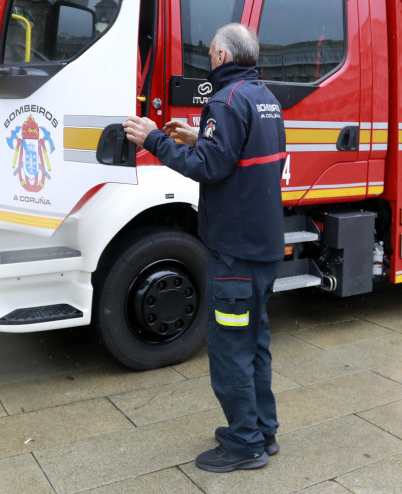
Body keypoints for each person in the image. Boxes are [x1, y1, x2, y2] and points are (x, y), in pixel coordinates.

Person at [123, 23, 287, 473]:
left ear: (220, 57)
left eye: (210, 52)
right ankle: (263, 429)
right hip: (265, 246)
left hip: (234, 250)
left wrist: (153, 139)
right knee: (255, 342)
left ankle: (244, 443)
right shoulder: (265, 99)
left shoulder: (225, 100)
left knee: (230, 346)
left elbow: (210, 168)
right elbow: (237, 155)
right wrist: (199, 137)